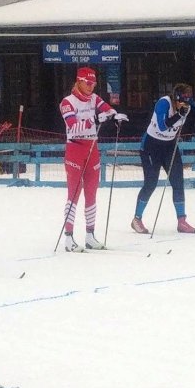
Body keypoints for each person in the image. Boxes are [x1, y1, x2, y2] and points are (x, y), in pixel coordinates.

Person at [58, 67, 128, 251]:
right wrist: (95, 120)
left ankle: (90, 235)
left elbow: (107, 109)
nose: (91, 87)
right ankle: (68, 238)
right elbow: (72, 126)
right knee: (74, 193)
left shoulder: (94, 99)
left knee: (92, 194)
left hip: (92, 148)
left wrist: (115, 116)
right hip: (75, 149)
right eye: (88, 83)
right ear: (79, 81)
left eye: (94, 84)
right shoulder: (67, 102)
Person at [131, 83, 195, 235]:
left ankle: (181, 221)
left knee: (178, 182)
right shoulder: (164, 103)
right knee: (151, 183)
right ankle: (136, 219)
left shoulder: (188, 105)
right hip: (151, 146)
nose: (184, 103)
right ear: (176, 98)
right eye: (182, 100)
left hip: (170, 146)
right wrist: (179, 115)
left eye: (187, 100)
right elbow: (163, 126)